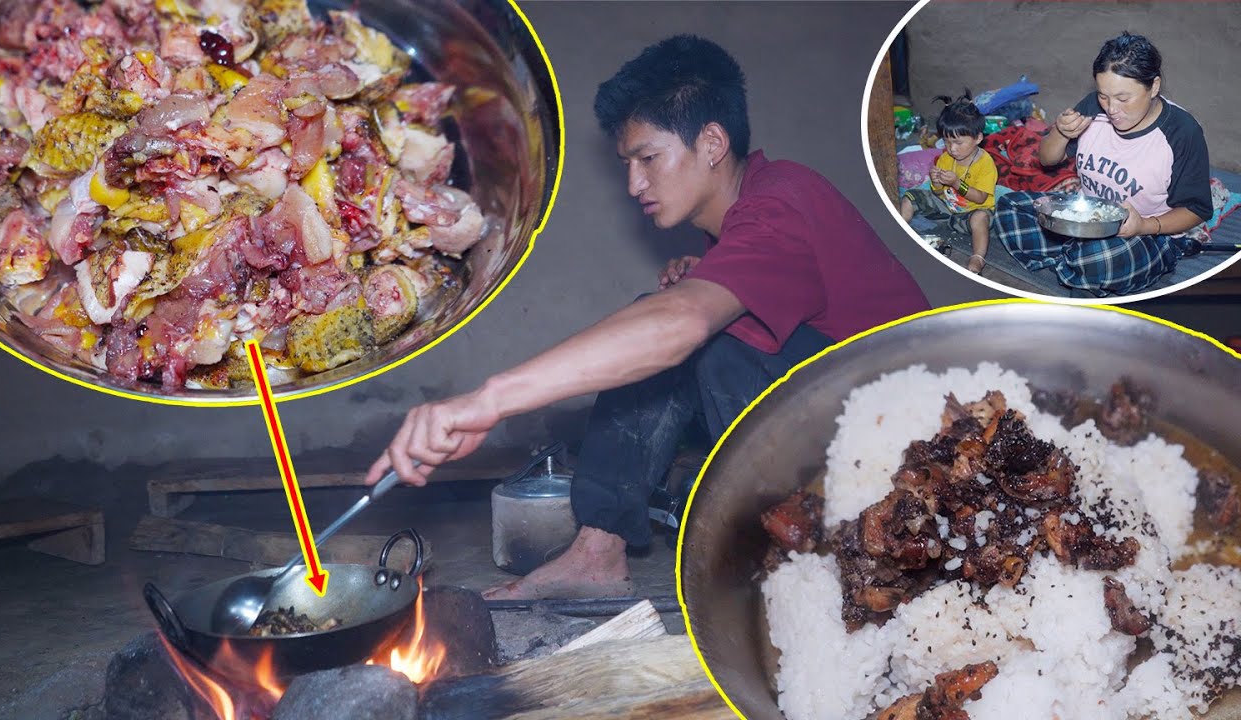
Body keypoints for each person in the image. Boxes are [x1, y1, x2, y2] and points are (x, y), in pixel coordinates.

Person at [363, 35, 930, 599]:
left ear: (711, 142)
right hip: (857, 421)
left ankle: (814, 565)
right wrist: (703, 277)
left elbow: (680, 325)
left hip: (916, 452)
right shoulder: (750, 217)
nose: (634, 184)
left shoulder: (781, 201)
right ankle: (597, 553)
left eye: (648, 159)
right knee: (680, 332)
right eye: (627, 165)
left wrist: (487, 400)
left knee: (693, 338)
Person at [994, 32, 1211, 296]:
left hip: (1147, 232)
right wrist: (1060, 132)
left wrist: (1145, 225)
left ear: (1153, 87)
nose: (1110, 108)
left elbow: (1196, 210)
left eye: (1123, 98)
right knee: (1008, 207)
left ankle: (1078, 261)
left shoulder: (1182, 133)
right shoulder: (1093, 107)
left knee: (1094, 260)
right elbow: (1047, 160)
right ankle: (1076, 262)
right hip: (1086, 219)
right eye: (1103, 96)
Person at [900, 94, 998, 274]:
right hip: (947, 208)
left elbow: (980, 197)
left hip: (971, 212)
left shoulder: (985, 163)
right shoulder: (946, 158)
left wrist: (956, 182)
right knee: (911, 196)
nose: (952, 148)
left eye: (958, 142)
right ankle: (899, 230)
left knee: (980, 219)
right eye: (946, 141)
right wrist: (936, 183)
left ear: (977, 138)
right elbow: (938, 194)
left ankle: (978, 258)